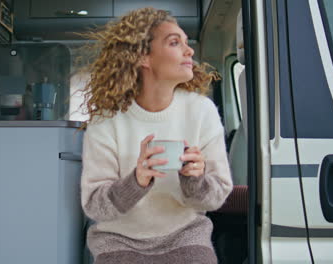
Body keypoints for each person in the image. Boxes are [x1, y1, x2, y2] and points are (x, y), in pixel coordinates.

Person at [79, 7, 233, 264]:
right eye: (175, 42)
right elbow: (95, 206)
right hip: (118, 240)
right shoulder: (106, 120)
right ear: (143, 57)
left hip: (185, 235)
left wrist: (194, 180)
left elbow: (216, 197)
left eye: (187, 42)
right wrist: (136, 182)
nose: (189, 51)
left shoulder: (202, 111)